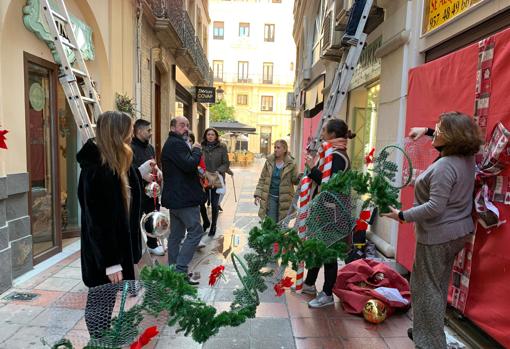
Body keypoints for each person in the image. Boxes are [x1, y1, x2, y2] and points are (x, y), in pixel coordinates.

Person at [382, 112, 483, 349]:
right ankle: (425, 330)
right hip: (456, 233)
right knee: (435, 286)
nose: (434, 132)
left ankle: (429, 342)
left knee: (426, 289)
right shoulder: (466, 156)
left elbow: (435, 207)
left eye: (438, 130)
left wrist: (402, 216)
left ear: (451, 137)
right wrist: (426, 131)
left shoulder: (446, 166)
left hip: (438, 235)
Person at [77, 111, 153, 338]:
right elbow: (98, 221)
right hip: (105, 254)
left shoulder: (117, 159)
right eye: (128, 129)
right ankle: (99, 342)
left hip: (116, 250)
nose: (132, 134)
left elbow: (125, 200)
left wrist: (143, 180)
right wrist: (111, 263)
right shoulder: (97, 169)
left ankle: (102, 339)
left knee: (107, 301)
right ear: (117, 132)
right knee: (100, 304)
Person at [302, 119, 356, 308]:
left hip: (333, 212)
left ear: (332, 134)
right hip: (326, 210)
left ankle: (327, 294)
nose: (322, 133)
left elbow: (329, 185)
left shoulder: (338, 157)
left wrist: (311, 169)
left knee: (329, 253)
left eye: (324, 130)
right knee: (319, 248)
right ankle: (309, 284)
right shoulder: (331, 153)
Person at [161, 116, 205, 285]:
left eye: (187, 125)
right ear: (172, 128)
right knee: (195, 232)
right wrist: (196, 150)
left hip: (177, 198)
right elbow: (189, 165)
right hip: (184, 198)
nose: (186, 128)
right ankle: (180, 271)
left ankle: (173, 271)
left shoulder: (173, 143)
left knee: (176, 235)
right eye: (181, 125)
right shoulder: (176, 143)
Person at [130, 119, 164, 256]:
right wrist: (143, 176)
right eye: (148, 130)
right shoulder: (130, 147)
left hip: (151, 191)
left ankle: (152, 244)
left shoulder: (150, 147)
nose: (151, 133)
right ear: (139, 131)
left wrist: (158, 170)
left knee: (153, 218)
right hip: (137, 191)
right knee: (135, 220)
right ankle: (135, 247)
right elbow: (130, 168)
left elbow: (153, 163)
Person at [254, 140, 299, 223]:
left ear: (285, 149)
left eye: (278, 147)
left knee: (282, 224)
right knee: (271, 223)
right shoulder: (269, 161)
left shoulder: (291, 163)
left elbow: (295, 181)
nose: (275, 149)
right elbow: (262, 178)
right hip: (271, 197)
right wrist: (258, 193)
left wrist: (300, 177)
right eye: (274, 147)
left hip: (285, 199)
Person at [198, 128, 230, 243]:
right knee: (201, 202)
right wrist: (201, 172)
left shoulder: (222, 147)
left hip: (217, 177)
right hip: (204, 178)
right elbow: (197, 161)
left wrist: (218, 171)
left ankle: (213, 226)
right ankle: (206, 222)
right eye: (208, 134)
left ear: (216, 136)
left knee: (215, 204)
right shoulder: (201, 147)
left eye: (212, 134)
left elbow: (226, 163)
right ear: (205, 136)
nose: (210, 136)